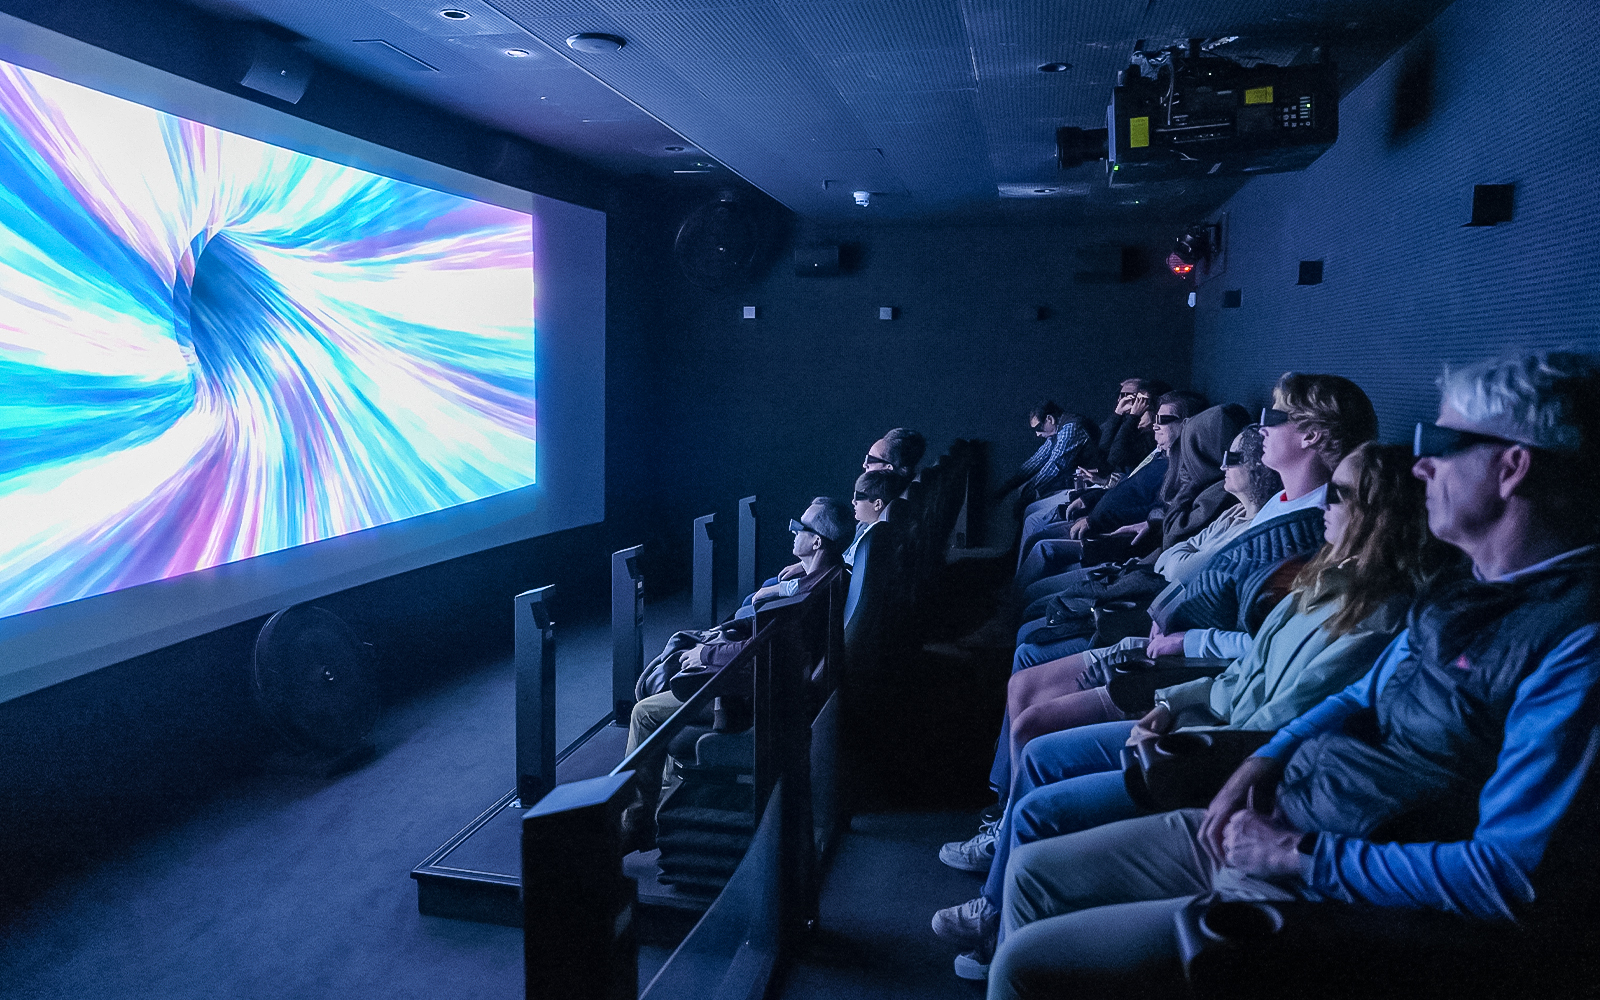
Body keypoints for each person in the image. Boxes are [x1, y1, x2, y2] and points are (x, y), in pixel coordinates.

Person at [986, 352, 1600, 1000]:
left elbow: (1507, 876)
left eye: (1441, 444)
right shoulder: (1461, 584)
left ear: (1513, 466)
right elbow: (1360, 694)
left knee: (1028, 967)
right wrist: (1263, 764)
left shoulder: (1575, 642)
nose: (1421, 465)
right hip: (1284, 804)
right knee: (1030, 876)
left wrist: (1295, 854)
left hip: (1332, 873)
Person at [934, 441, 1459, 979]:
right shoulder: (1323, 576)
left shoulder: (1380, 619)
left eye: (1341, 495)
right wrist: (1168, 704)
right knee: (1041, 748)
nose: (1326, 503)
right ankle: (998, 916)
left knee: (1040, 801)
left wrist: (1182, 731)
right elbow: (1243, 667)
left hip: (1214, 754)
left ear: (1380, 517)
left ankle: (1004, 932)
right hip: (1196, 714)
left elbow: (1273, 719)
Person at [620, 497, 855, 850]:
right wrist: (787, 582)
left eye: (799, 527)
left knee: (644, 712)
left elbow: (762, 647)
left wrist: (705, 652)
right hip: (769, 685)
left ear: (817, 541)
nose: (792, 531)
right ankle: (662, 813)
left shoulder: (813, 593)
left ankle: (633, 823)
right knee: (659, 704)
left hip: (751, 694)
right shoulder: (829, 576)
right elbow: (790, 603)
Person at [996, 401, 1093, 517]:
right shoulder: (1057, 432)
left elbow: (1055, 465)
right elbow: (1037, 460)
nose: (1037, 434)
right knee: (1024, 500)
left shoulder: (1071, 428)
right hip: (1078, 483)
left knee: (1030, 512)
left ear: (1049, 419)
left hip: (1091, 485)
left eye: (1038, 427)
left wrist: (1028, 494)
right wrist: (1006, 487)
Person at [843, 469, 907, 567]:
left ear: (877, 504)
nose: (853, 501)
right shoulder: (865, 527)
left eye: (858, 497)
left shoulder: (872, 537)